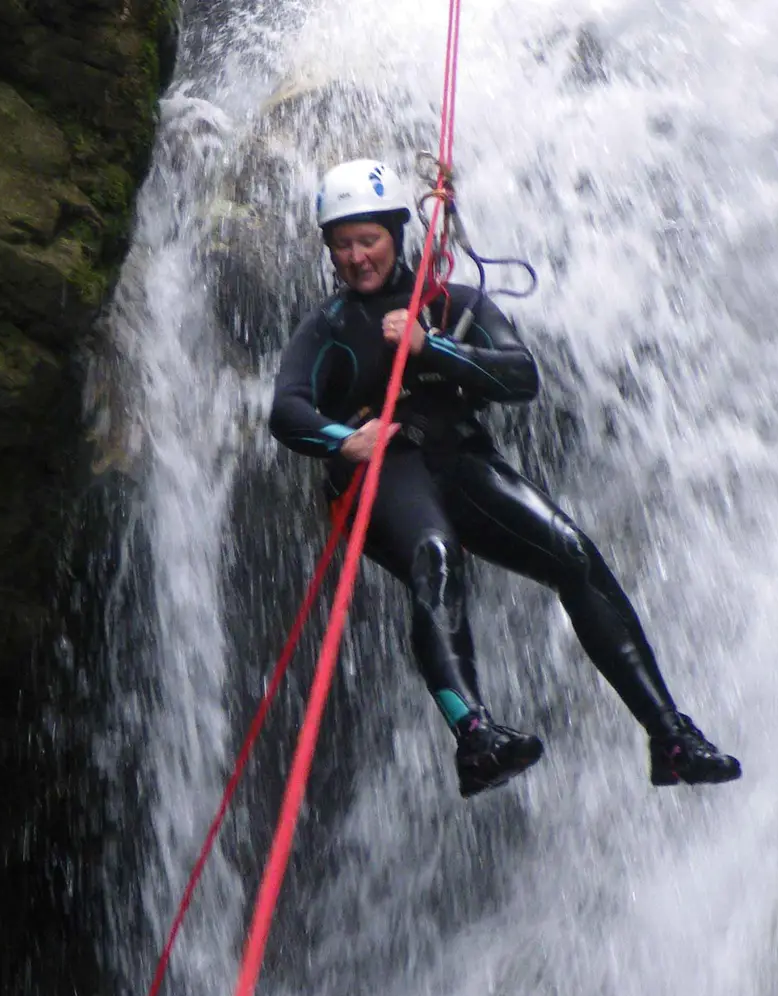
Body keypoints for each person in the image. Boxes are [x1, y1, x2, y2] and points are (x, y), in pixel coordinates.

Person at [267, 157, 743, 798]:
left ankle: (671, 736)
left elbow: (522, 377)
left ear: (397, 234)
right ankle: (475, 736)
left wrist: (432, 347)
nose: (356, 257)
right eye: (342, 244)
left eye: (368, 239)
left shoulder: (454, 305)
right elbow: (287, 410)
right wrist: (345, 440)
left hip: (461, 464)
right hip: (383, 475)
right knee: (434, 556)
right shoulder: (327, 328)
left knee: (572, 555)